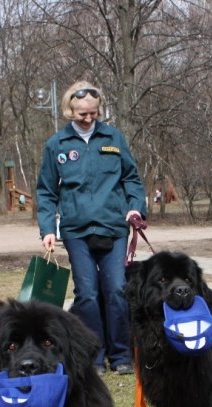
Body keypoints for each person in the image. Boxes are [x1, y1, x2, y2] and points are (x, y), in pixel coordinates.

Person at [36, 81, 146, 375]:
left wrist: (135, 206)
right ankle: (94, 357)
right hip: (76, 230)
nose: (88, 118)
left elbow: (132, 179)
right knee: (87, 294)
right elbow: (46, 191)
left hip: (113, 227)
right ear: (69, 110)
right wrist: (47, 228)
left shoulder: (114, 138)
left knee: (116, 291)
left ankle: (121, 355)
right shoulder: (56, 145)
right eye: (82, 114)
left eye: (93, 113)